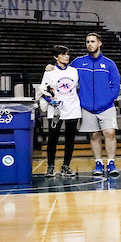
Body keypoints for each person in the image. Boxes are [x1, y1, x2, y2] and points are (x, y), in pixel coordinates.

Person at [72, 32, 121, 177]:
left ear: (99, 43)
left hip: (106, 106)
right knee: (94, 135)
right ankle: (98, 163)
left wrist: (106, 100)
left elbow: (116, 85)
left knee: (109, 132)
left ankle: (111, 163)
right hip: (87, 106)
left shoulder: (109, 64)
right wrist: (52, 68)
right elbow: (65, 75)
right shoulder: (78, 63)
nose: (89, 44)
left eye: (92, 41)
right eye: (87, 42)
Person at [38, 44, 81, 177]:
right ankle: (50, 166)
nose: (66, 56)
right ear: (56, 57)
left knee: (70, 138)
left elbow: (77, 88)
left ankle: (66, 166)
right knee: (53, 138)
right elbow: (43, 91)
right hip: (56, 109)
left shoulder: (74, 71)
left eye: (67, 54)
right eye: (63, 54)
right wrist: (51, 101)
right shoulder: (49, 72)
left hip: (72, 107)